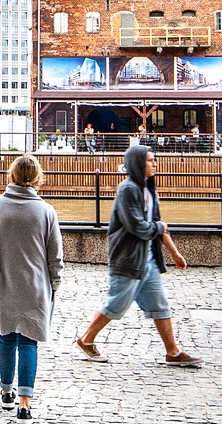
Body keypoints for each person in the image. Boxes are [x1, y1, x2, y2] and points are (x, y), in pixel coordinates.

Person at [76, 144, 202, 367]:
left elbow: (158, 226)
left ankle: (172, 352)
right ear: (137, 163)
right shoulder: (128, 190)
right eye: (150, 160)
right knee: (115, 304)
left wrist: (174, 252)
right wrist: (158, 229)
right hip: (128, 259)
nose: (155, 164)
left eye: (154, 160)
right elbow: (138, 226)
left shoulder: (148, 190)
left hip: (147, 261)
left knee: (160, 305)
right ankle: (86, 339)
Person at [0, 153, 63, 424]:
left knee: (7, 336)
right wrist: (55, 284)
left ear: (11, 176)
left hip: (4, 282)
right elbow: (55, 256)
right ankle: (24, 405)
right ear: (37, 179)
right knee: (28, 341)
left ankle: (6, 391)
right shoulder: (46, 211)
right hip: (36, 285)